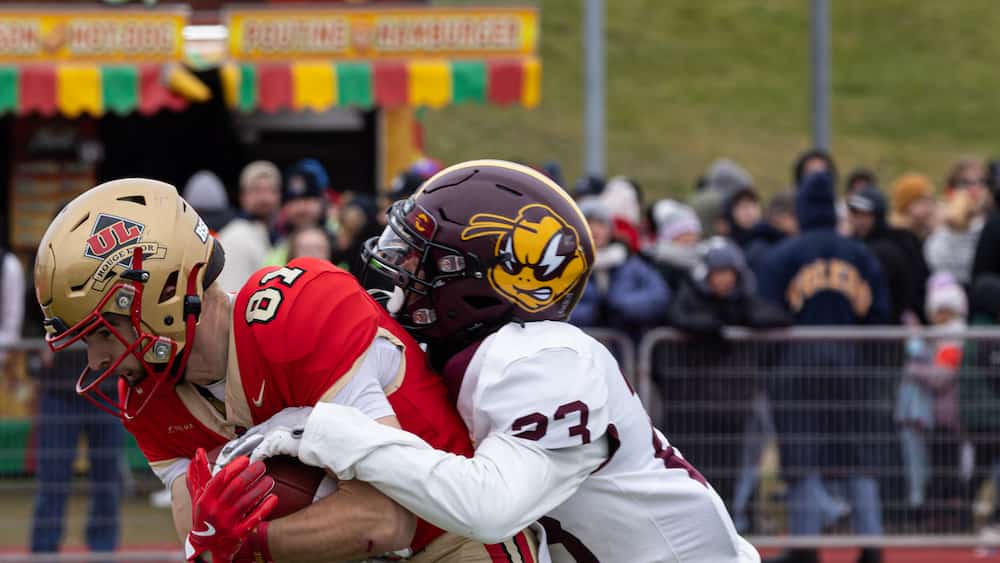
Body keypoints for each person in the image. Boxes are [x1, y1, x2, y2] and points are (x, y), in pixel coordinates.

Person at [227, 160, 760, 562]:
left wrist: (326, 430)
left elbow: (488, 507)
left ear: (477, 276)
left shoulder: (547, 360)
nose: (396, 267)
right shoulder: (464, 357)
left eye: (418, 256)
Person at [33, 178, 532, 563]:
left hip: (449, 538)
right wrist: (227, 544)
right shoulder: (148, 395)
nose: (99, 360)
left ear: (164, 292)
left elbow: (384, 520)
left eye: (105, 331)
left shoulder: (297, 313)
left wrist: (249, 542)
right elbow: (201, 542)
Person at [758, 171, 890, 563]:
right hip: (851, 362)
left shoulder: (784, 255)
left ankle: (805, 546)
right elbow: (881, 314)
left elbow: (766, 311)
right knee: (859, 457)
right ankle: (871, 545)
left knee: (801, 455)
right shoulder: (860, 254)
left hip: (797, 364)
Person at [30, 348, 123, 555]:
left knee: (107, 479)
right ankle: (44, 552)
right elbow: (29, 322)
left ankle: (103, 551)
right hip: (58, 388)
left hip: (106, 388)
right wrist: (38, 350)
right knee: (52, 478)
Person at [569, 198, 670, 335]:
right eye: (588, 223)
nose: (594, 230)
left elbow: (659, 296)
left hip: (624, 350)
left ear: (610, 229)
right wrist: (593, 312)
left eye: (600, 223)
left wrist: (620, 306)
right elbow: (554, 307)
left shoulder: (630, 262)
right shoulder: (566, 265)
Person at [216, 161, 281, 292]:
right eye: (257, 191)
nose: (265, 198)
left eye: (270, 190)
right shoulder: (235, 236)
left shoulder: (275, 236)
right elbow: (230, 295)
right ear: (243, 196)